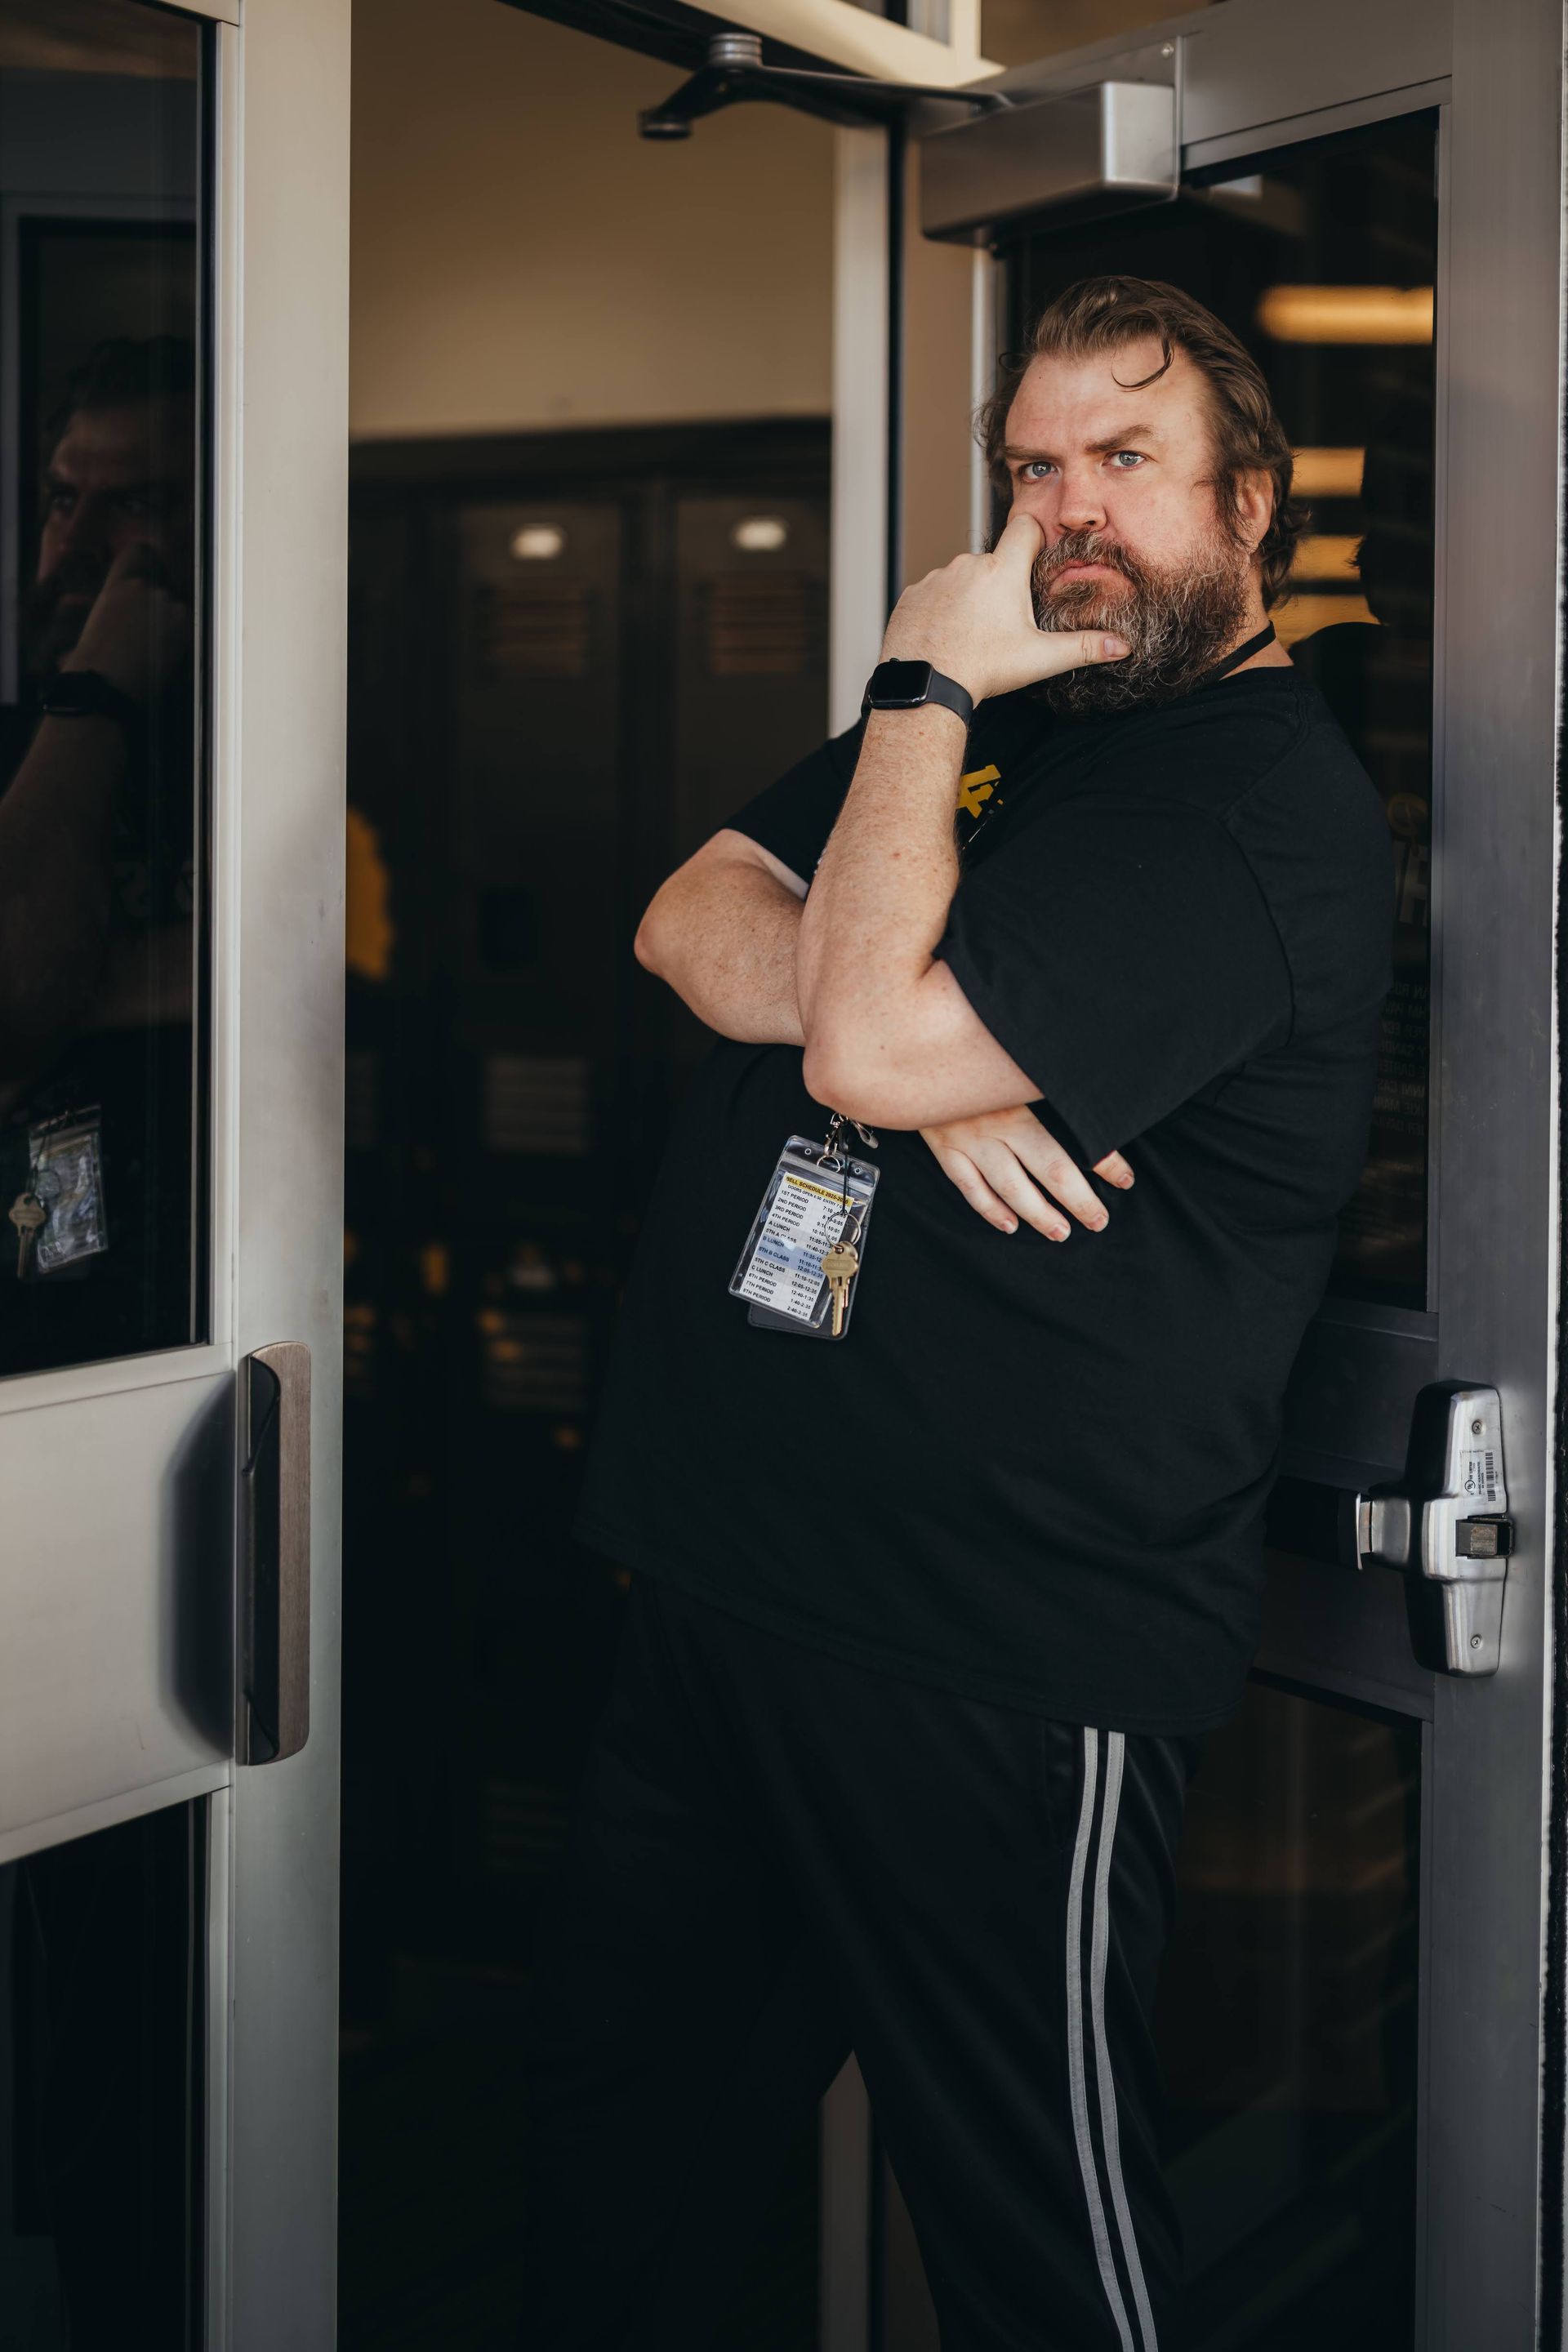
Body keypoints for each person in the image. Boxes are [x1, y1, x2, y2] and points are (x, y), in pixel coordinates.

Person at [522, 276, 1393, 2350]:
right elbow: (687, 916)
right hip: (728, 1588)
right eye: (1028, 469)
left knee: (1039, 2257)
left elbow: (853, 1041)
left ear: (1248, 505)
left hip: (993, 1651)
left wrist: (913, 712)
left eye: (1125, 462)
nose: (1063, 514)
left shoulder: (1253, 804)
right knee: (629, 2196)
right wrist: (893, 1027)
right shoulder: (982, 727)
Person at [0, 336, 197, 1372]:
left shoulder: (286, 747)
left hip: (224, 1321)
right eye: (62, 501)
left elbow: (347, 974)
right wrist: (96, 695)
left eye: (133, 505)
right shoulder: (22, 749)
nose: (74, 545)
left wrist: (72, 987)